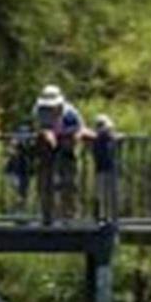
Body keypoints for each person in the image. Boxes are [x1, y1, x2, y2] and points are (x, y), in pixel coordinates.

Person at [32, 84, 91, 224]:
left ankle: (69, 217)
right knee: (45, 183)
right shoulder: (38, 111)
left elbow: (81, 129)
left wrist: (76, 135)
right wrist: (46, 134)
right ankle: (47, 216)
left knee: (69, 183)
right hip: (46, 153)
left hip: (67, 152)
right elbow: (39, 128)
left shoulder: (71, 113)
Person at [91, 114, 122, 223]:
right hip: (101, 170)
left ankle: (111, 218)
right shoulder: (96, 139)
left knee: (111, 195)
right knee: (101, 195)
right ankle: (101, 217)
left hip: (110, 170)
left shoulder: (111, 138)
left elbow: (117, 137)